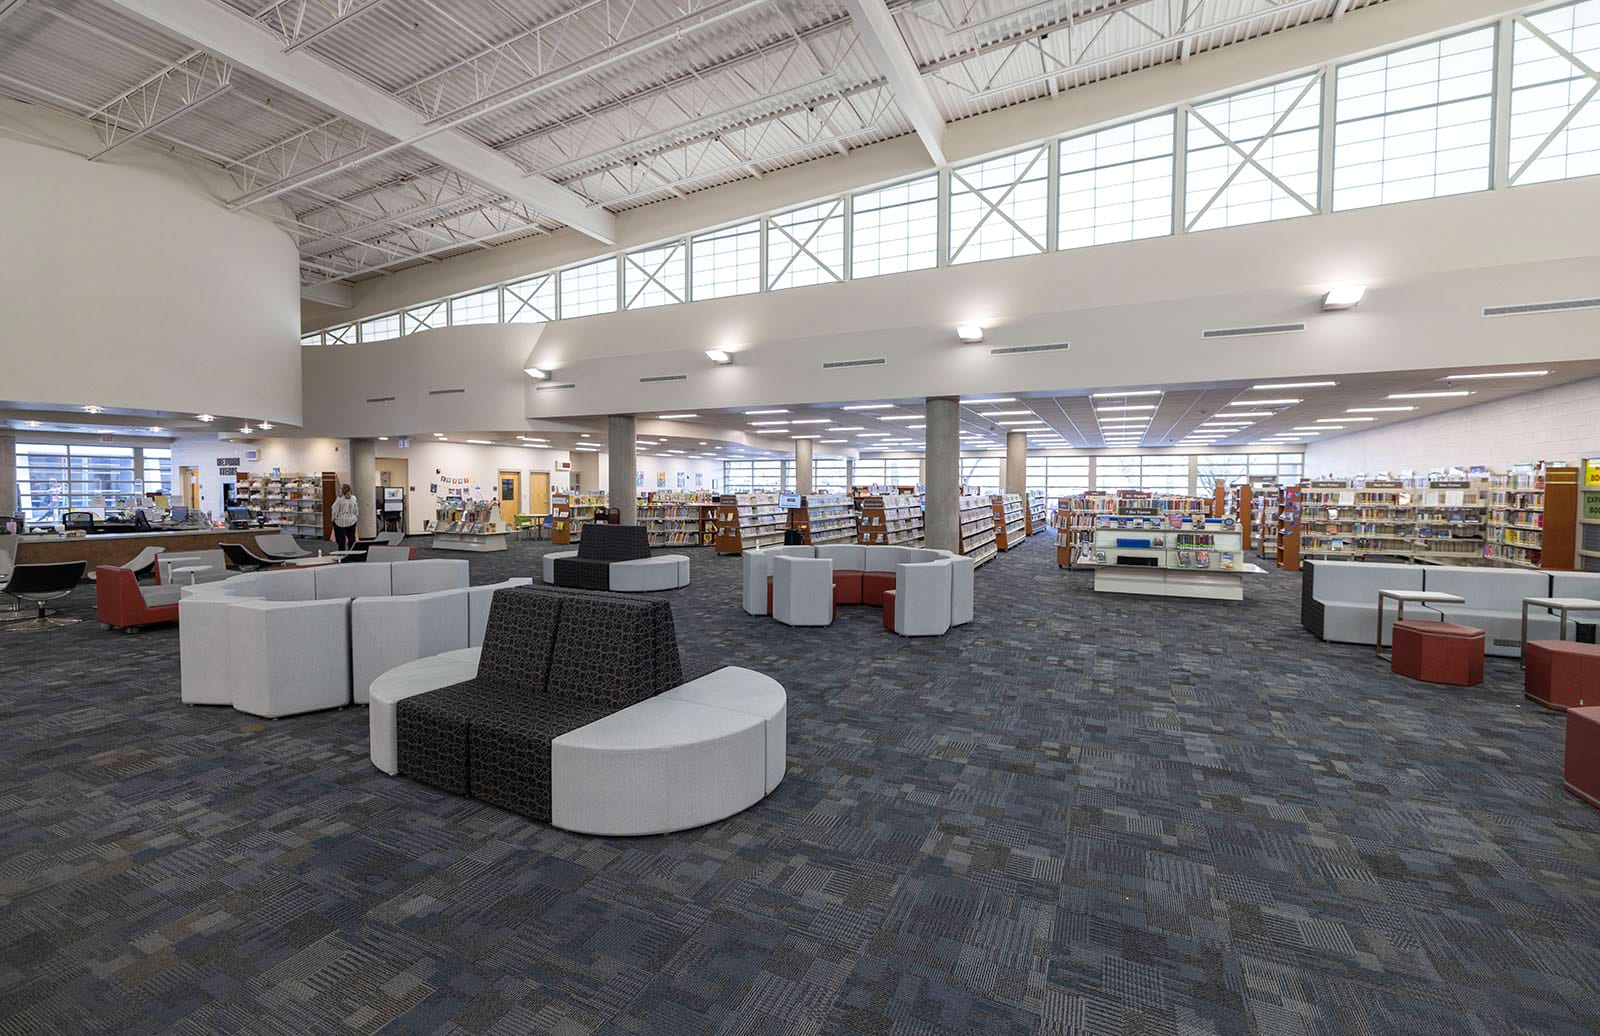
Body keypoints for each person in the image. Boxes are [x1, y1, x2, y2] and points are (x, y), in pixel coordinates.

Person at [332, 483, 359, 551]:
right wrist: (355, 517)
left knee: (341, 540)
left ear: (342, 490)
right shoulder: (353, 498)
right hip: (351, 521)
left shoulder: (339, 499)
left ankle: (342, 553)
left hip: (340, 522)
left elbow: (335, 510)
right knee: (351, 538)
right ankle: (351, 553)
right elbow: (356, 510)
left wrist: (333, 519)